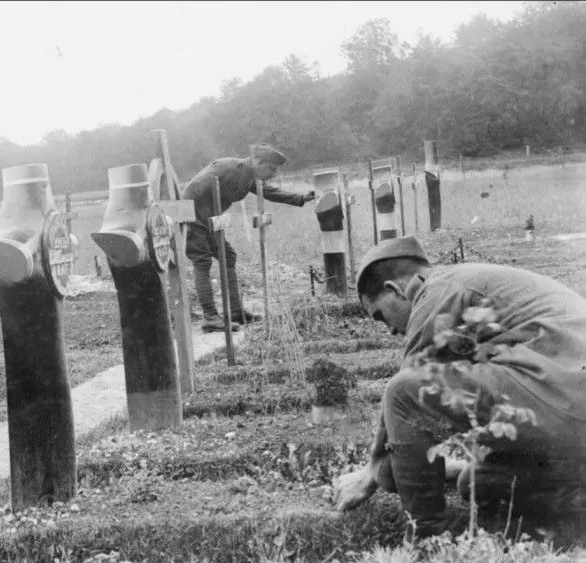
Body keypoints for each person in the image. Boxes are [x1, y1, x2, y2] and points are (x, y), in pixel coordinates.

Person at [333, 236, 586, 541]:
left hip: (563, 387)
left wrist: (370, 472)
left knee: (403, 393)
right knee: (476, 482)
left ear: (395, 290)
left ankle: (425, 543)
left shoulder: (438, 289)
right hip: (565, 400)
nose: (389, 328)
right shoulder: (465, 285)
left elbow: (406, 395)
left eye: (380, 315)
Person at [182, 144, 316, 332]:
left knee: (228, 257)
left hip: (211, 222)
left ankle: (236, 312)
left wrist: (300, 197)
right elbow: (190, 190)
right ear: (258, 162)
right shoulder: (226, 167)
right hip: (193, 220)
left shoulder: (249, 178)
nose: (273, 174)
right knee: (202, 262)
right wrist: (184, 223)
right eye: (271, 169)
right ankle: (210, 317)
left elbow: (270, 192)